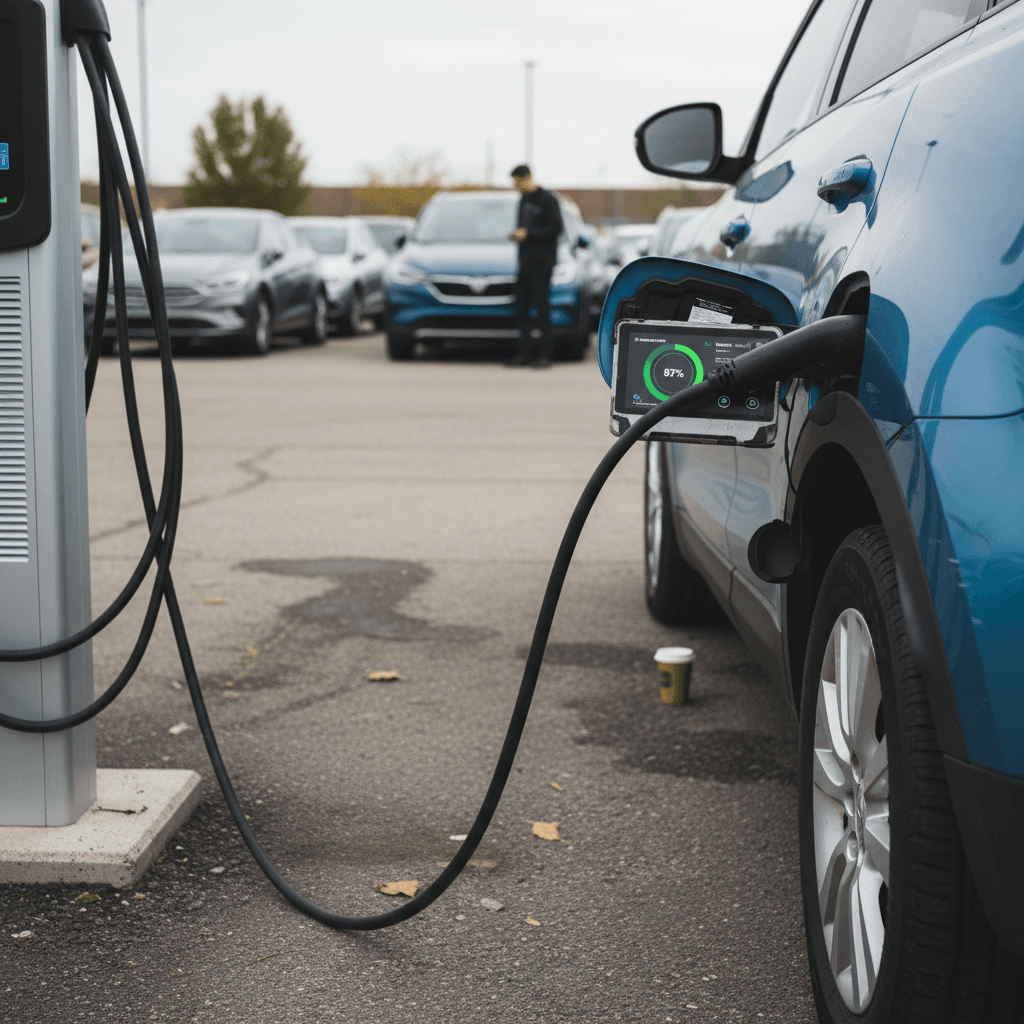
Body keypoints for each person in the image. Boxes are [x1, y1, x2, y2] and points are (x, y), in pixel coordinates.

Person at [506, 164, 563, 368]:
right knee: (521, 309)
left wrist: (528, 234)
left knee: (541, 310)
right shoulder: (523, 200)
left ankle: (544, 355)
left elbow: (557, 228)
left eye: (516, 182)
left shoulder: (548, 199)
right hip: (524, 264)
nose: (516, 187)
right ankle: (525, 354)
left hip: (542, 265)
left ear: (526, 178)